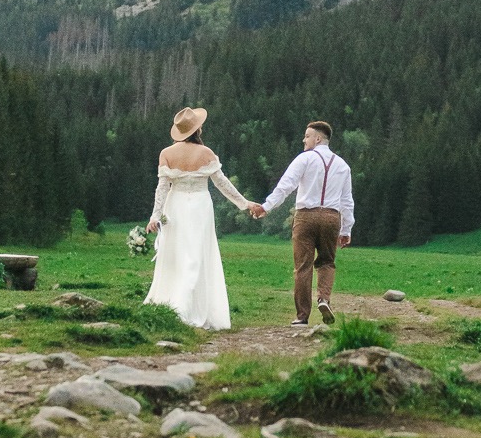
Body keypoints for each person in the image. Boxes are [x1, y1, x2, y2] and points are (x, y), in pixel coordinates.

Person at [145, 107, 255, 330]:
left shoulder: (166, 153)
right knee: (195, 255)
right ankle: (186, 307)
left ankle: (175, 304)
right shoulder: (206, 153)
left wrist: (155, 215)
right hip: (199, 206)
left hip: (174, 205)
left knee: (177, 255)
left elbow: (162, 188)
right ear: (197, 129)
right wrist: (245, 203)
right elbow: (222, 184)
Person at [250, 121, 354, 327]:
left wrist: (266, 207)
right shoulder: (343, 165)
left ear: (318, 138)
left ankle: (302, 317)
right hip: (331, 218)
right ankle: (324, 299)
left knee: (303, 266)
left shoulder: (305, 159)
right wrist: (346, 229)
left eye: (307, 136)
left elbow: (285, 185)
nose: (303, 140)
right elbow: (347, 200)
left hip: (306, 216)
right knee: (326, 262)